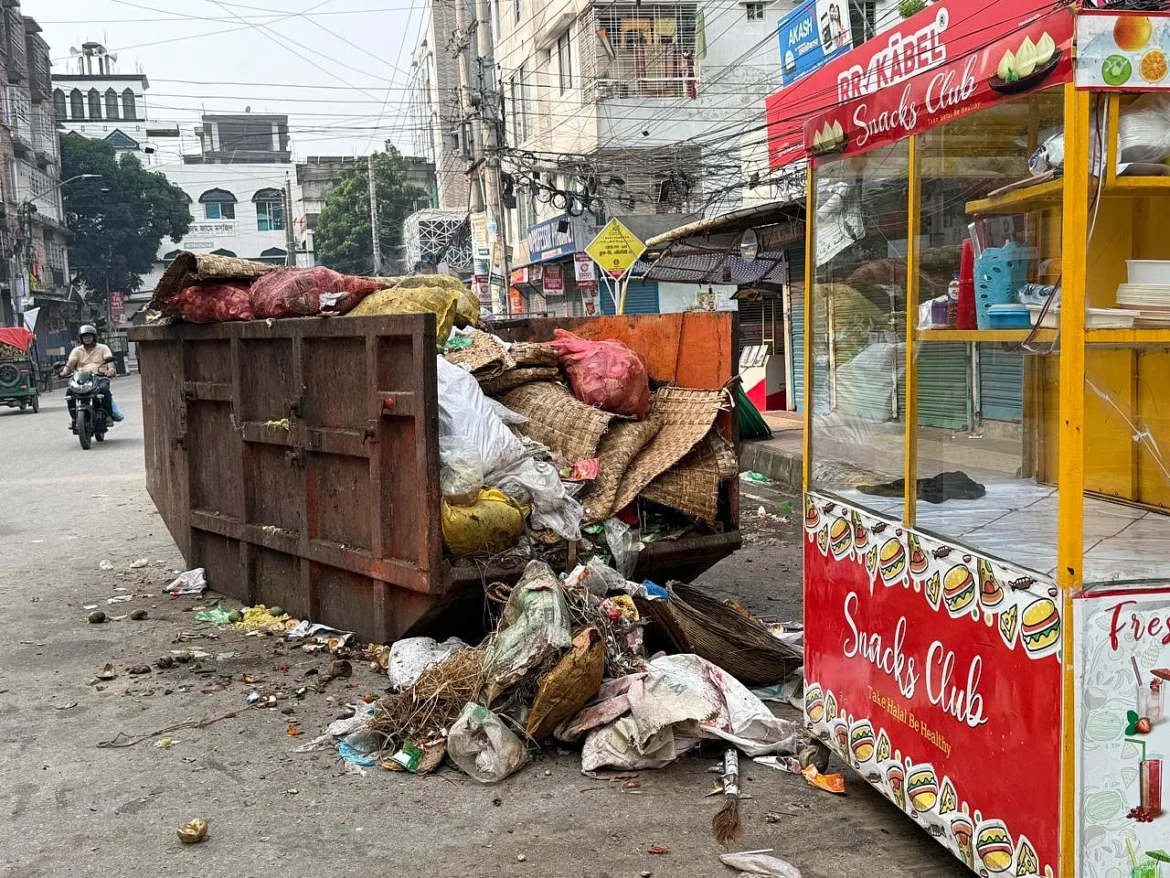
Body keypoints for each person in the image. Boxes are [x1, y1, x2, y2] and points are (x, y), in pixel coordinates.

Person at [60, 325, 123, 423]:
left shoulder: (103, 348)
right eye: (85, 336)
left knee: (104, 390)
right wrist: (65, 370)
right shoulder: (77, 350)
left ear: (94, 337)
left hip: (99, 377)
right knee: (70, 392)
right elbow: (71, 362)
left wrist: (111, 369)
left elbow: (109, 360)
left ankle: (108, 416)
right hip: (81, 379)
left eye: (89, 336)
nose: (87, 338)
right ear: (81, 338)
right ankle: (74, 418)